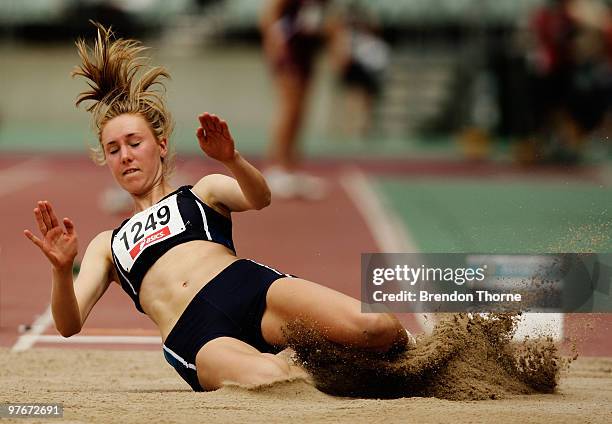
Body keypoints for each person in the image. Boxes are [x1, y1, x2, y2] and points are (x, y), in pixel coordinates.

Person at [23, 23, 413, 392]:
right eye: (113, 149)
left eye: (134, 142)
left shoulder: (203, 192)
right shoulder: (108, 244)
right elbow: (69, 325)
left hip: (248, 289)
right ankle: (319, 365)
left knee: (377, 327)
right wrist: (60, 269)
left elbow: (261, 197)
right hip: (195, 334)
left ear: (160, 145)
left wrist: (232, 159)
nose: (125, 155)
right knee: (275, 380)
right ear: (106, 160)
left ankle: (396, 361)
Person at [259, 0, 332, 200]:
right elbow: (270, 12)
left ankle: (291, 166)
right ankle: (277, 167)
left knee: (300, 111)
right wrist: (275, 44)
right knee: (289, 109)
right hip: (288, 50)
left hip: (305, 51)